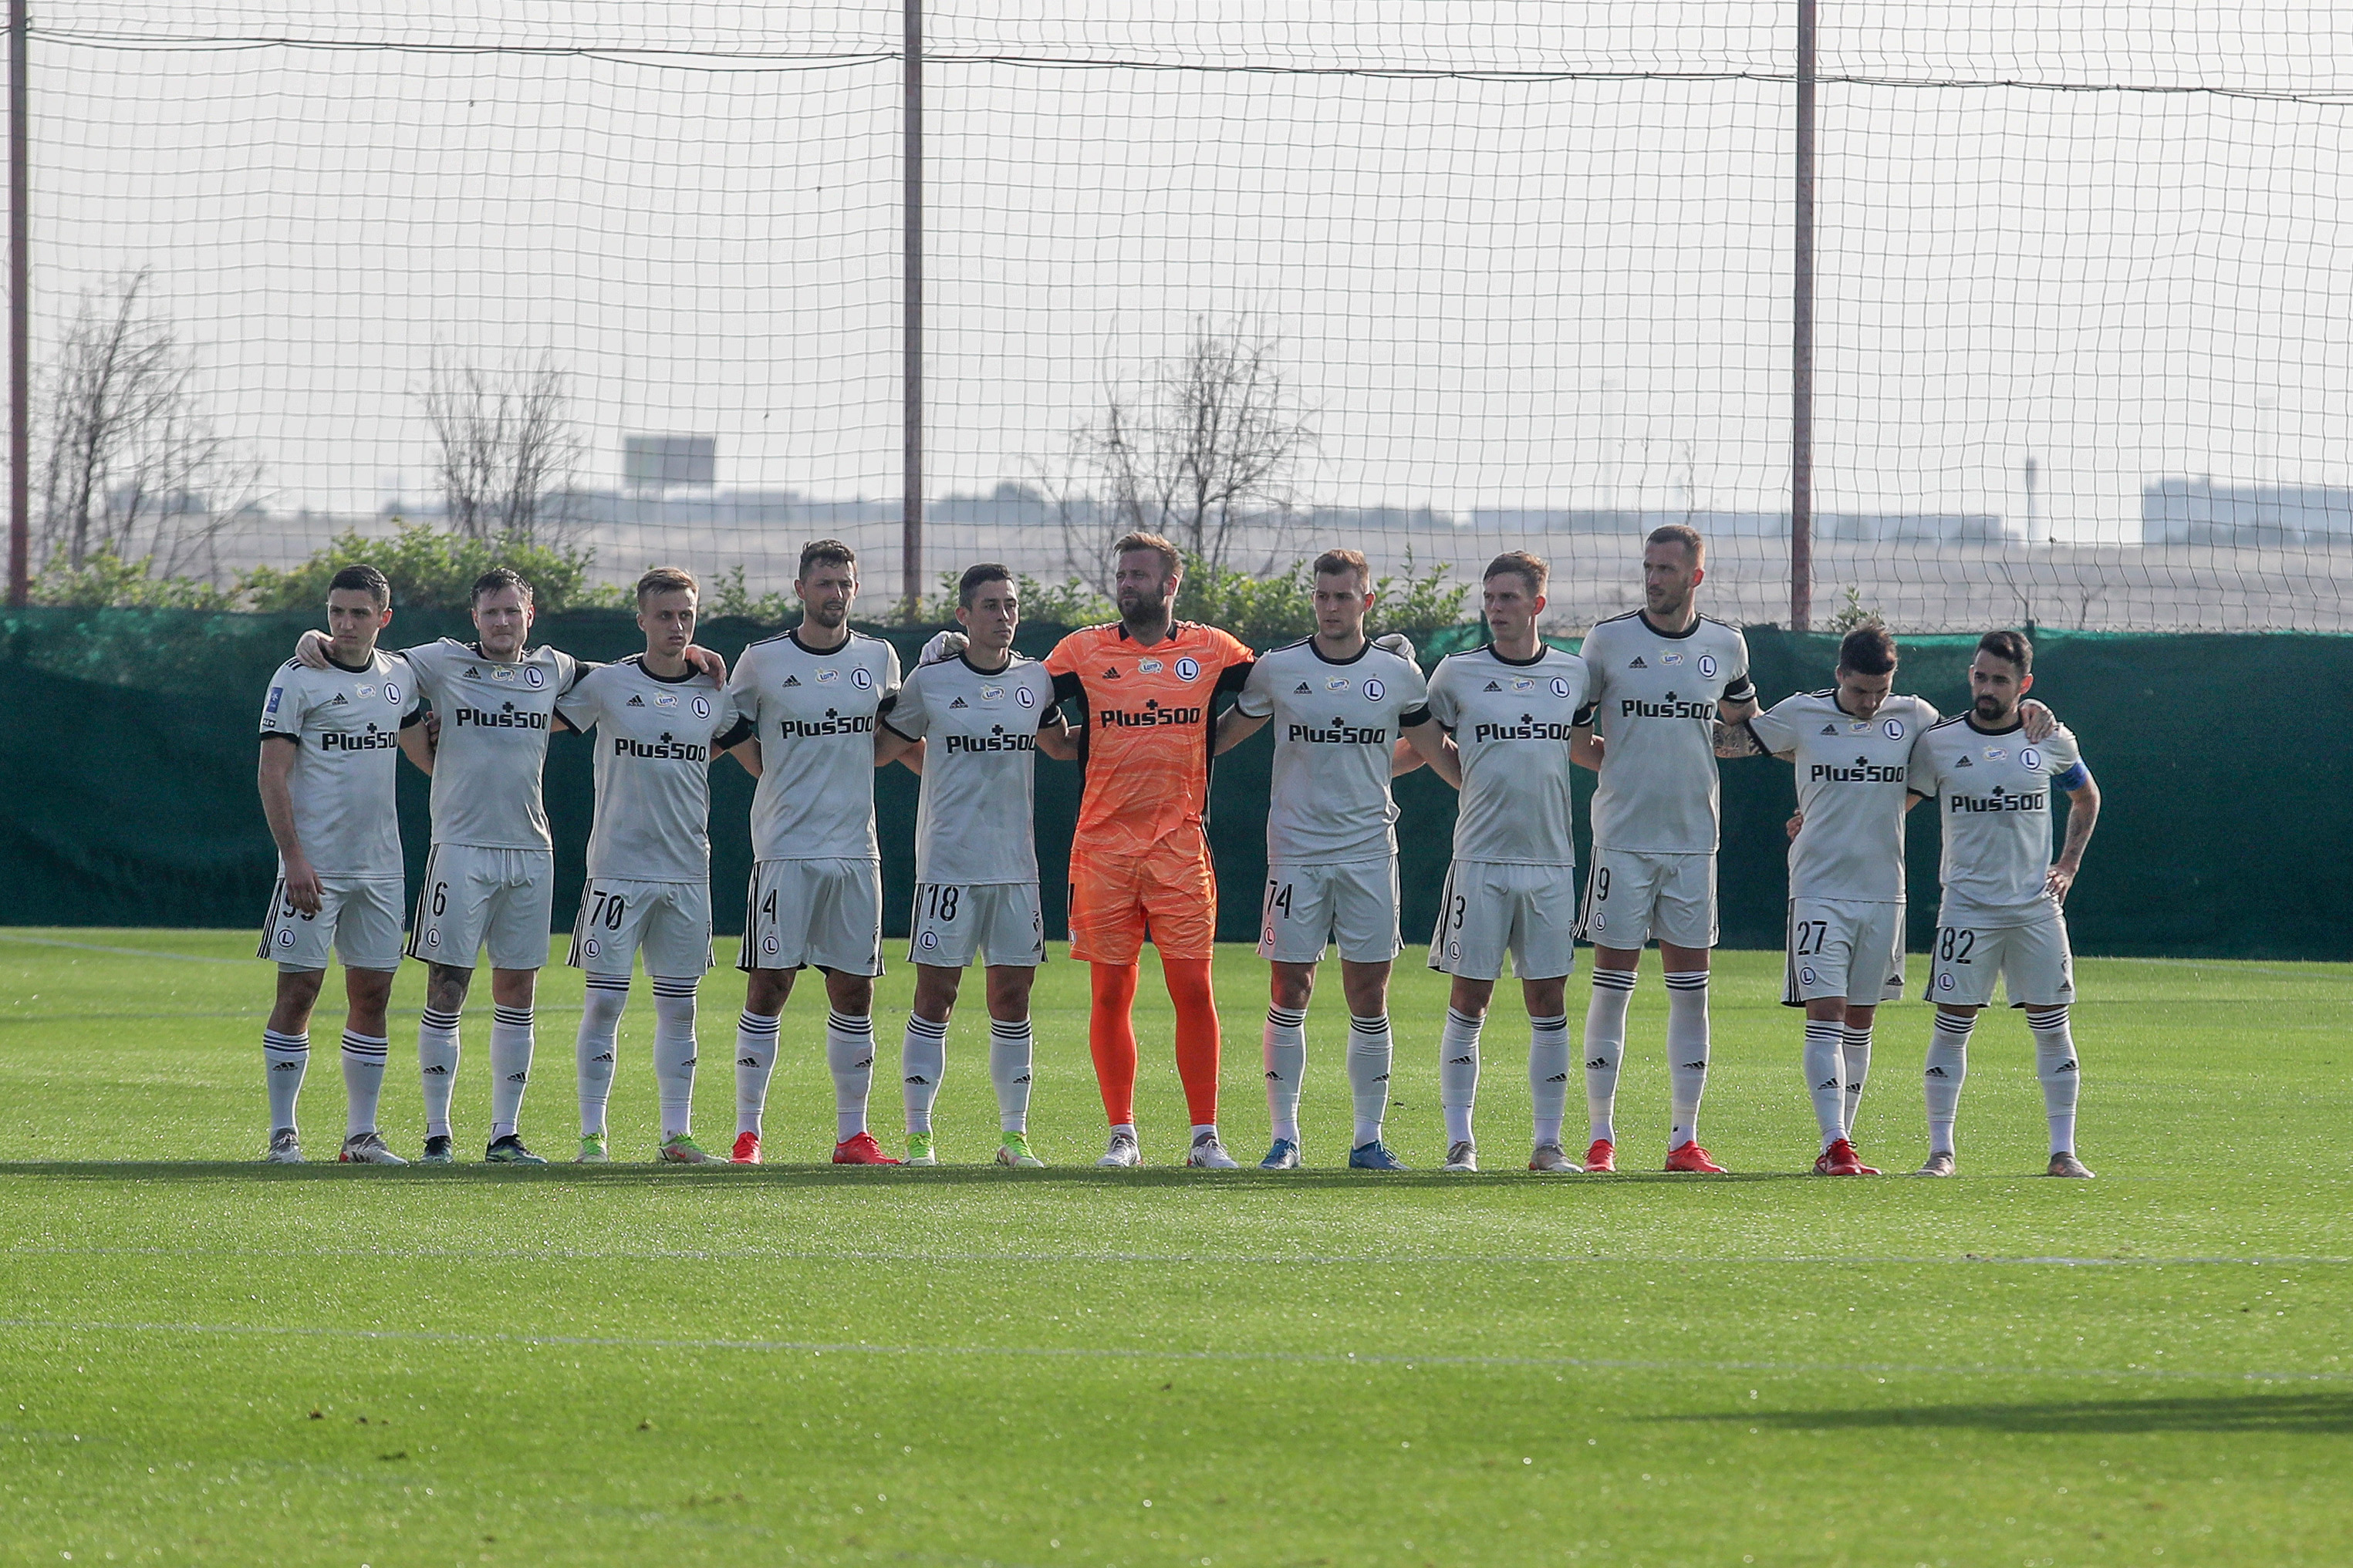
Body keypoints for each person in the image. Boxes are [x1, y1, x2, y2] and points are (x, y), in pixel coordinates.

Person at [295, 566, 601, 1164]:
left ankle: (504, 1134)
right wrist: (315, 638)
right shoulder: (439, 661)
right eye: (492, 613)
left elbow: (619, 680)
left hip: (532, 851)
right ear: (475, 618)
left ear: (529, 616)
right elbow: (370, 656)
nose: (503, 622)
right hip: (460, 849)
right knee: (447, 988)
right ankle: (438, 1134)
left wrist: (690, 651)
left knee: (518, 990)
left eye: (513, 611)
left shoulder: (553, 668)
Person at [1215, 548, 1436, 1170]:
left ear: (1367, 601)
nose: (1331, 606)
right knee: (1291, 985)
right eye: (1322, 595)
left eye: (1343, 596)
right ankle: (1284, 1139)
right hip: (1295, 853)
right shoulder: (1278, 670)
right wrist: (1162, 756)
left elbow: (1430, 748)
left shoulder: (1399, 676)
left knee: (1370, 992)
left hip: (1369, 851)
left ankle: (1367, 1139)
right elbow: (1223, 735)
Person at [1042, 534, 1257, 1169]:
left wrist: (1217, 737)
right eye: (1122, 573)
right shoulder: (1081, 650)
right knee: (1111, 993)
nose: (1127, 582)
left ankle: (1204, 1138)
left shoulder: (1211, 648)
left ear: (1171, 584)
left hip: (1179, 846)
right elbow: (1025, 691)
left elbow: (1272, 686)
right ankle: (1122, 1134)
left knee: (1194, 988)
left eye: (1139, 574)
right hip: (1103, 848)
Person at [876, 564, 1077, 1167]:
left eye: (1011, 604)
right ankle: (919, 1136)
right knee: (936, 996)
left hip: (1016, 869)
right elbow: (886, 748)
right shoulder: (931, 682)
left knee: (1013, 998)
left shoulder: (1035, 681)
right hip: (948, 866)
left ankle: (1014, 1137)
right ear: (964, 615)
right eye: (990, 605)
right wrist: (931, 765)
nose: (1003, 615)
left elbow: (1061, 746)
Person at [1571, 524, 1757, 1174]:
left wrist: (1706, 752)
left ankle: (1684, 1140)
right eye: (1648, 566)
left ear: (1695, 577)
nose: (1654, 578)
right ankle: (1600, 1138)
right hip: (1621, 842)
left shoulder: (1726, 645)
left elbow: (1742, 730)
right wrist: (1620, 769)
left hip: (1693, 846)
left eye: (1667, 569)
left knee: (1690, 992)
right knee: (1612, 987)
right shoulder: (1608, 639)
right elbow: (1576, 733)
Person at [1727, 624, 1937, 1177]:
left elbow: (1945, 762)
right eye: (1861, 690)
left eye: (1880, 691)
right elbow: (1736, 741)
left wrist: (2033, 711)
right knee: (1827, 1012)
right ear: (1840, 674)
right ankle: (1835, 1141)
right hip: (1818, 888)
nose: (1870, 702)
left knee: (1862, 1020)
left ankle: (1843, 1144)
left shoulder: (1915, 716)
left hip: (1884, 892)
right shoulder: (1801, 713)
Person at [553, 567, 746, 1165]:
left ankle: (676, 1136)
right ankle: (592, 1137)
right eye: (664, 615)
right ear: (641, 620)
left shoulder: (714, 693)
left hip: (688, 871)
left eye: (686, 615)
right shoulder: (608, 684)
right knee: (605, 1002)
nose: (676, 625)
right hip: (616, 871)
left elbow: (743, 748)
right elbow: (541, 699)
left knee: (680, 1005)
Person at [721, 540, 906, 1165]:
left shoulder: (879, 658)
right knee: (769, 985)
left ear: (855, 589)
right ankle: (748, 1133)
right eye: (824, 583)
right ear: (800, 589)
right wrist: (768, 768)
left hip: (857, 851)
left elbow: (889, 737)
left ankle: (853, 1135)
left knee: (855, 991)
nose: (835, 593)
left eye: (845, 583)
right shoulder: (763, 660)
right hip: (785, 850)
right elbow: (728, 725)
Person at [1905, 629, 2101, 1178]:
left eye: (2000, 679)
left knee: (2052, 1025)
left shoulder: (2049, 738)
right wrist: (1822, 819)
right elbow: (1899, 802)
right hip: (1966, 908)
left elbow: (2086, 795)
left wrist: (2068, 865)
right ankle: (1941, 1151)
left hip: (2035, 909)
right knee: (1951, 1025)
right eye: (1980, 675)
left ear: (2024, 685)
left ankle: (2063, 1152)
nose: (1986, 687)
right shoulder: (1939, 742)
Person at [254, 564, 433, 1164]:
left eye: (360, 612)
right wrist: (295, 859)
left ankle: (361, 1136)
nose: (346, 623)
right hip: (314, 867)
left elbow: (425, 758)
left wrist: (455, 735)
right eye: (336, 611)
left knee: (374, 995)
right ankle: (284, 1134)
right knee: (300, 989)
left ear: (383, 618)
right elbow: (271, 773)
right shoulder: (298, 675)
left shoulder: (398, 678)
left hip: (381, 867)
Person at [1418, 551, 1589, 1173]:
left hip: (1551, 863)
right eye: (1490, 597)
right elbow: (1425, 738)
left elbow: (1583, 748)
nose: (1496, 609)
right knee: (1470, 998)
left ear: (1538, 604)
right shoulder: (1456, 674)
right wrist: (1455, 776)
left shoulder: (1574, 675)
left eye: (1509, 598)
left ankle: (1548, 1144)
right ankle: (1460, 1142)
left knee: (1548, 999)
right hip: (1480, 860)